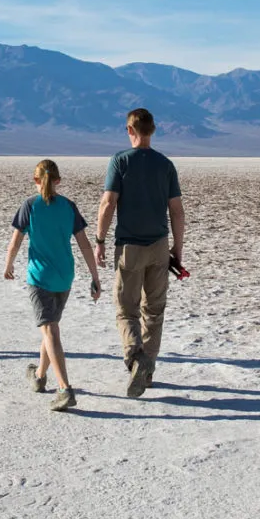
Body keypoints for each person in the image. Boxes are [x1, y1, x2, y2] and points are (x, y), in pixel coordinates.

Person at [93, 107, 186, 398]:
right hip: (159, 247)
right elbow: (177, 211)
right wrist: (177, 250)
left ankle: (136, 359)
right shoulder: (165, 164)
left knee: (126, 310)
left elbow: (108, 203)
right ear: (153, 130)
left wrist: (100, 240)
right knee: (154, 311)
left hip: (130, 248)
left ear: (130, 130)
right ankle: (146, 372)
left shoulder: (120, 161)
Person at [4, 160, 101, 412]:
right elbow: (84, 245)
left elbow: (15, 241)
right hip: (64, 278)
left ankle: (64, 389)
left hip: (39, 278)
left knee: (50, 331)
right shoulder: (69, 206)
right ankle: (38, 376)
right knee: (50, 327)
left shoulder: (29, 205)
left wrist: (8, 264)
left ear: (36, 180)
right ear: (57, 180)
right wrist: (95, 276)